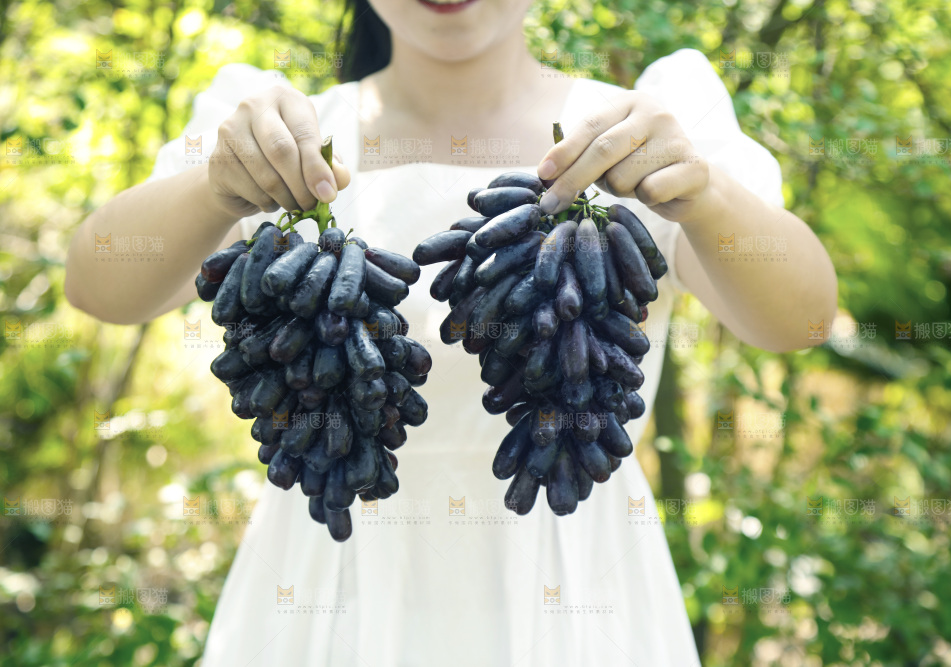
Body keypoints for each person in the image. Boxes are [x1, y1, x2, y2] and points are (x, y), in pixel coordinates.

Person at [66, 0, 837, 664]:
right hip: (326, 593)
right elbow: (98, 284)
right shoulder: (280, 136)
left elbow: (801, 317)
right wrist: (213, 190)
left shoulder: (643, 129)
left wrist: (706, 195)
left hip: (576, 597)